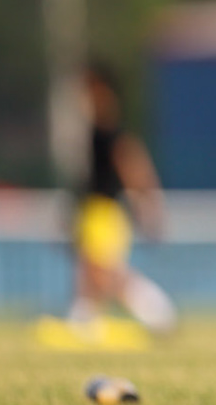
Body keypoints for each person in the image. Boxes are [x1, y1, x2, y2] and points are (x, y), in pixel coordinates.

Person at [37, 59, 178, 348]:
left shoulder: (109, 130)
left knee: (104, 271)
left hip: (106, 210)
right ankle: (83, 320)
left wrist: (148, 204)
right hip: (92, 210)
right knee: (92, 271)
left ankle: (157, 311)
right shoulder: (91, 132)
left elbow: (132, 165)